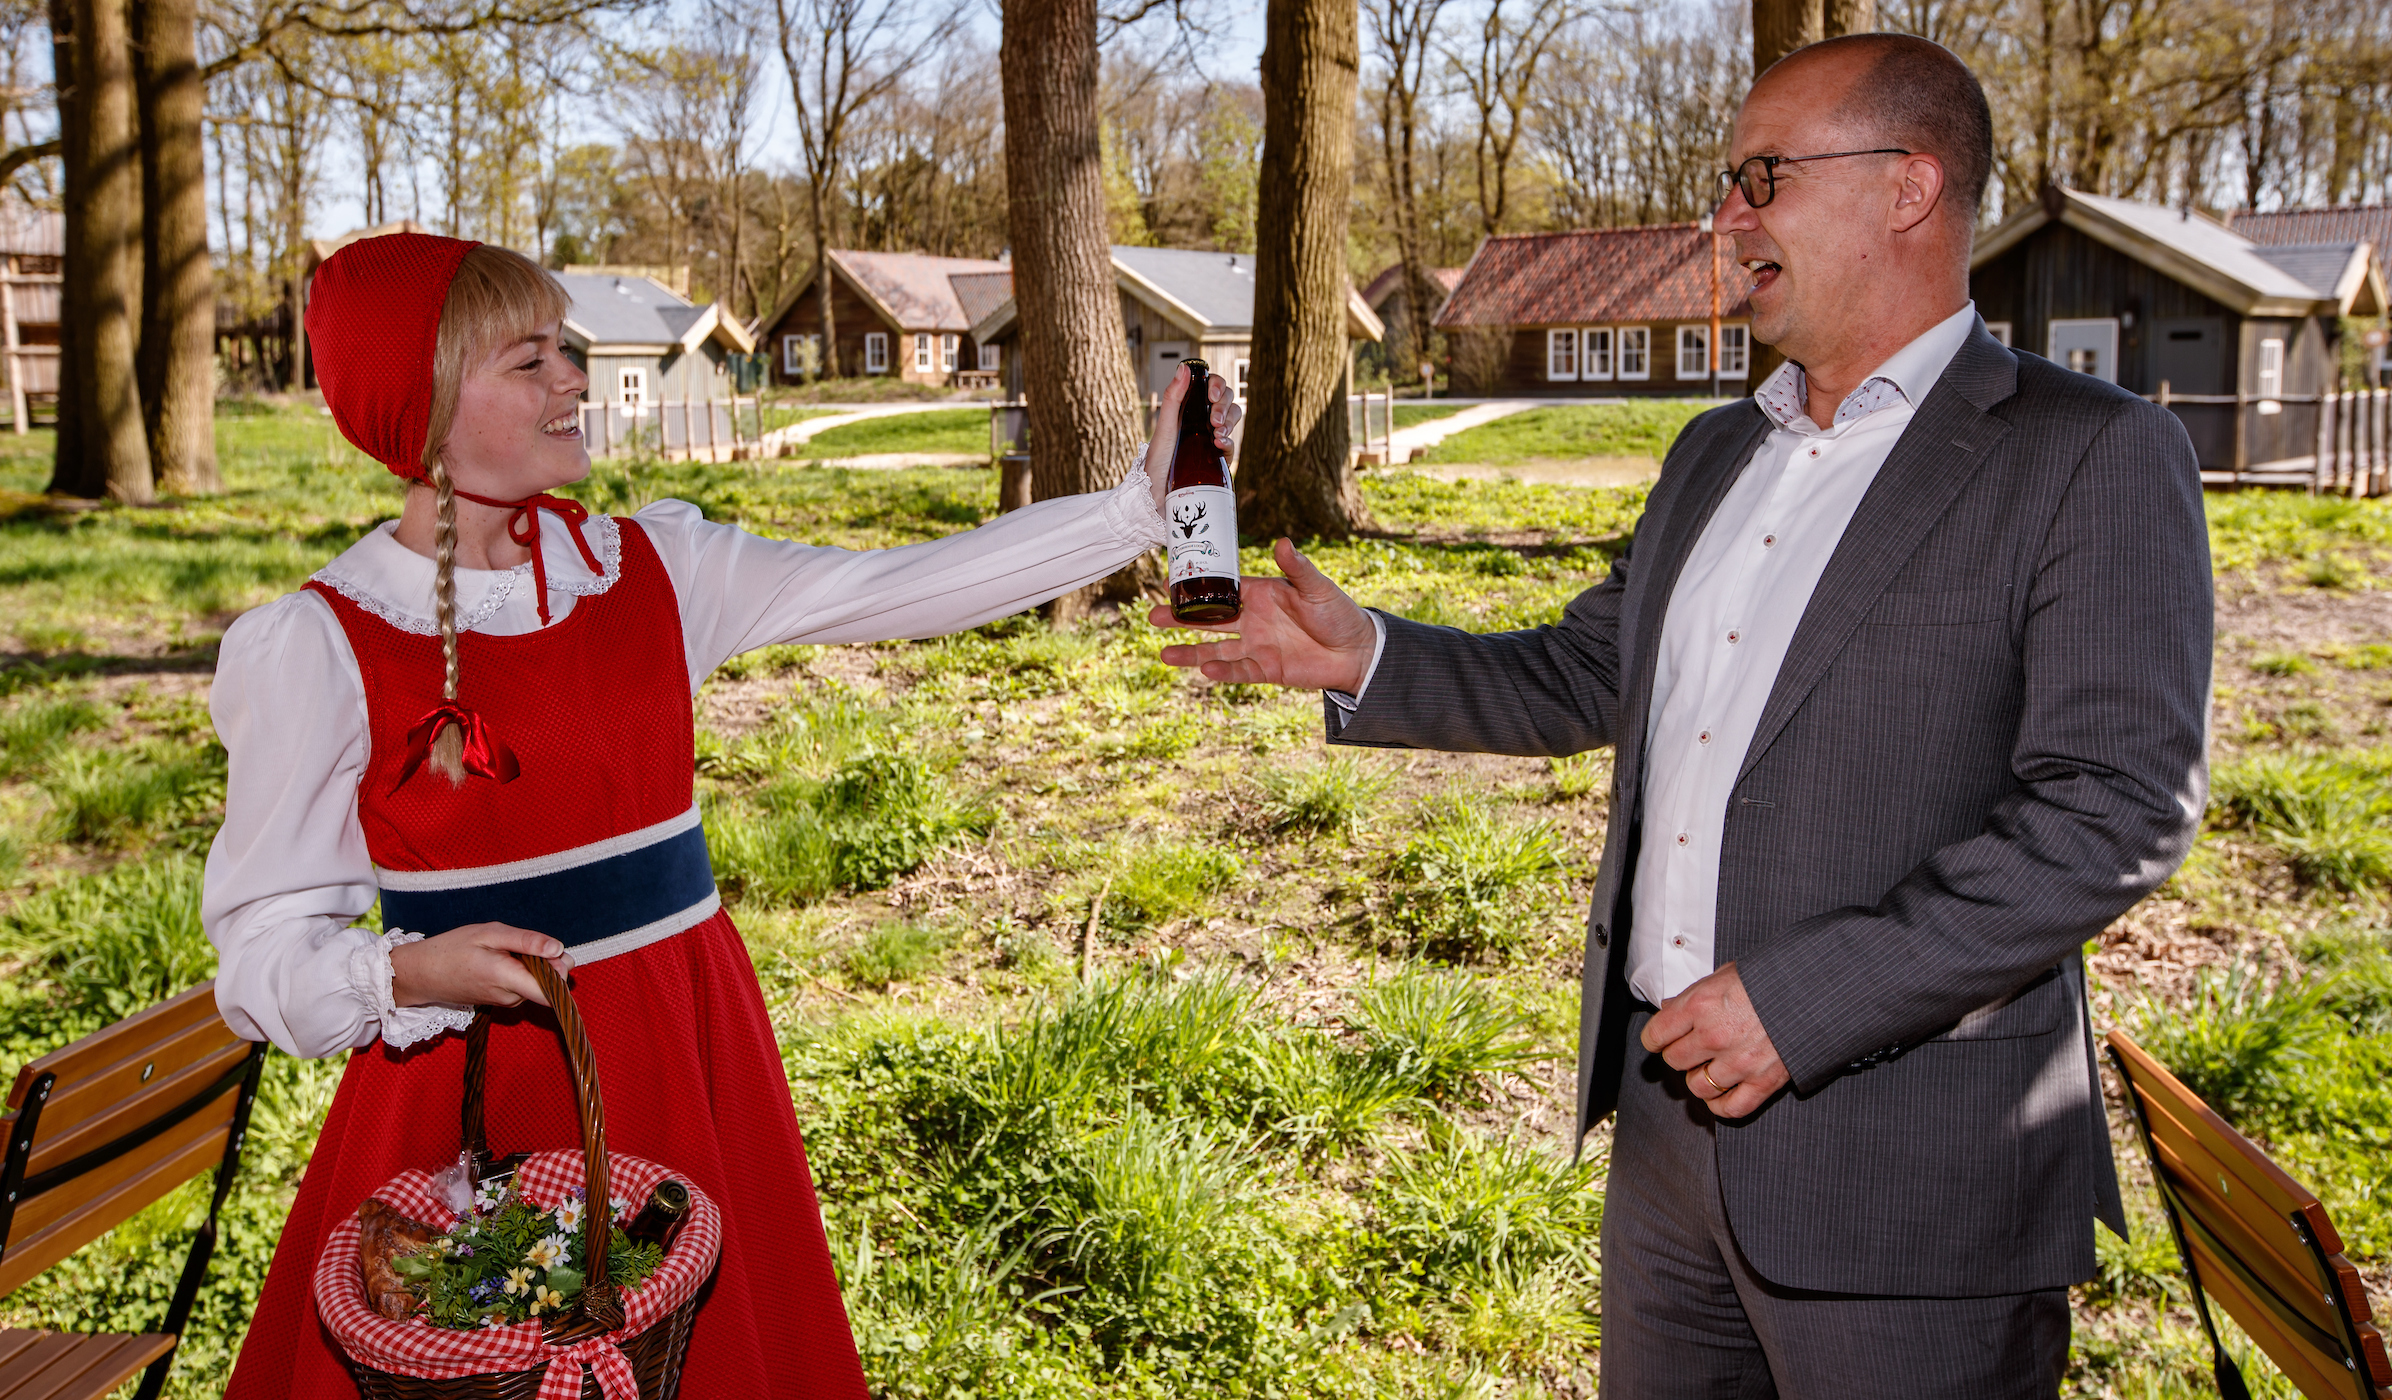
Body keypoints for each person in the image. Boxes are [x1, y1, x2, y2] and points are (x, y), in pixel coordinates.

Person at [1155, 33, 2211, 1398]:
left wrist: (1804, 1000)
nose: (1726, 219)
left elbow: (2112, 810)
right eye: (1727, 183)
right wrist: (1362, 653)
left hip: (1908, 1183)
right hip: (1665, 1144)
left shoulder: (2090, 453)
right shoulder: (1719, 448)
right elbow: (1589, 674)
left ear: (1908, 187)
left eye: (1763, 177)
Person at [205, 231, 1238, 1398]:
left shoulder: (652, 565)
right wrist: (406, 976)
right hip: (475, 1096)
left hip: (687, 1053)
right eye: (527, 360)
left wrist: (1136, 510)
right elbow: (259, 957)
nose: (571, 380)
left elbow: (892, 587)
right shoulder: (321, 644)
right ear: (427, 406)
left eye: (567, 350)